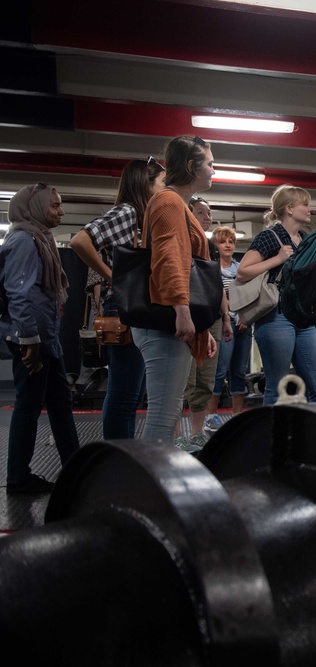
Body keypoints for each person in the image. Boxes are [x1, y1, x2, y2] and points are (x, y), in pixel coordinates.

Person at [71, 157, 165, 439]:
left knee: (129, 392)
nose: (166, 188)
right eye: (162, 183)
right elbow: (80, 240)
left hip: (136, 306)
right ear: (145, 184)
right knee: (124, 393)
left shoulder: (144, 216)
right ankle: (118, 457)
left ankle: (122, 455)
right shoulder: (127, 212)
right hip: (125, 306)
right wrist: (112, 275)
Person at [132, 136, 218, 444]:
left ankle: (154, 483)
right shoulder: (169, 201)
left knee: (166, 413)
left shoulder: (176, 203)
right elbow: (170, 259)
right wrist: (183, 311)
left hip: (169, 320)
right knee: (163, 415)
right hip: (166, 321)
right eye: (210, 164)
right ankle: (149, 487)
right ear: (192, 166)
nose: (213, 170)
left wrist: (201, 326)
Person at [1, 183, 81, 494]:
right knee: (29, 406)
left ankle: (76, 470)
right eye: (54, 206)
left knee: (60, 405)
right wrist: (30, 342)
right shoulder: (23, 240)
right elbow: (20, 295)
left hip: (46, 340)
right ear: (33, 209)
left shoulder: (41, 238)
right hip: (32, 340)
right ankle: (18, 478)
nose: (61, 212)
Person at [237, 184, 316, 405]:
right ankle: (272, 437)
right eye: (304, 204)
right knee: (277, 386)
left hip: (303, 318)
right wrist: (277, 259)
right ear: (289, 209)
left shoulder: (305, 239)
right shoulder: (269, 237)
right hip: (276, 316)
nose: (309, 209)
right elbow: (242, 272)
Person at [177, 197, 232, 450]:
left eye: (209, 213)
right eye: (201, 212)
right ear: (188, 214)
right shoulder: (179, 241)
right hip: (186, 316)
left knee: (205, 379)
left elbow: (217, 284)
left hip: (211, 319)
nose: (207, 217)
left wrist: (226, 317)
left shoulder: (210, 248)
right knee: (182, 380)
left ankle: (197, 434)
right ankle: (177, 436)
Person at [205, 225, 253, 429]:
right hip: (224, 323)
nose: (227, 245)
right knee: (219, 370)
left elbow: (250, 295)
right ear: (215, 244)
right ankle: (210, 417)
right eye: (223, 241)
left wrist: (246, 316)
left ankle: (237, 415)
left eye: (231, 241)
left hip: (243, 324)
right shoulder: (211, 268)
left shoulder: (240, 268)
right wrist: (229, 314)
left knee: (239, 371)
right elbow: (215, 297)